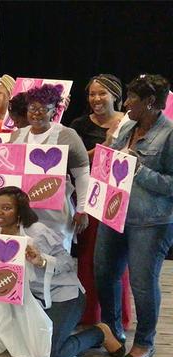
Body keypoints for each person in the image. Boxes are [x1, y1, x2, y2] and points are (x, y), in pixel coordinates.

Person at [0, 187, 122, 357]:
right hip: (31, 300)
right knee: (28, 346)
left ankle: (100, 333)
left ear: (20, 212)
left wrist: (42, 261)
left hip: (63, 296)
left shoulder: (38, 232)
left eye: (6, 208)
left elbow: (68, 263)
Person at [96, 74, 173, 357]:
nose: (125, 103)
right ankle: (112, 331)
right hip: (114, 212)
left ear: (150, 102)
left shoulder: (169, 134)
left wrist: (141, 170)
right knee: (104, 274)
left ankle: (144, 341)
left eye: (132, 99)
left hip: (151, 221)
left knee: (142, 283)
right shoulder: (127, 126)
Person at [69, 74, 131, 328]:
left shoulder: (129, 123)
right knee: (87, 256)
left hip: (118, 197)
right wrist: (107, 144)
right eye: (92, 94)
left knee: (116, 258)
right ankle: (88, 315)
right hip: (88, 195)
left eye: (102, 93)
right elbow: (76, 160)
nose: (96, 99)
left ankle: (119, 316)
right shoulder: (79, 124)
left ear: (115, 95)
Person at [11, 84, 90, 252]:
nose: (37, 113)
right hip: (24, 211)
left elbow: (82, 174)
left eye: (43, 109)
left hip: (55, 213)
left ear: (54, 111)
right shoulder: (17, 136)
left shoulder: (67, 135)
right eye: (32, 108)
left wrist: (82, 209)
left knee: (56, 258)